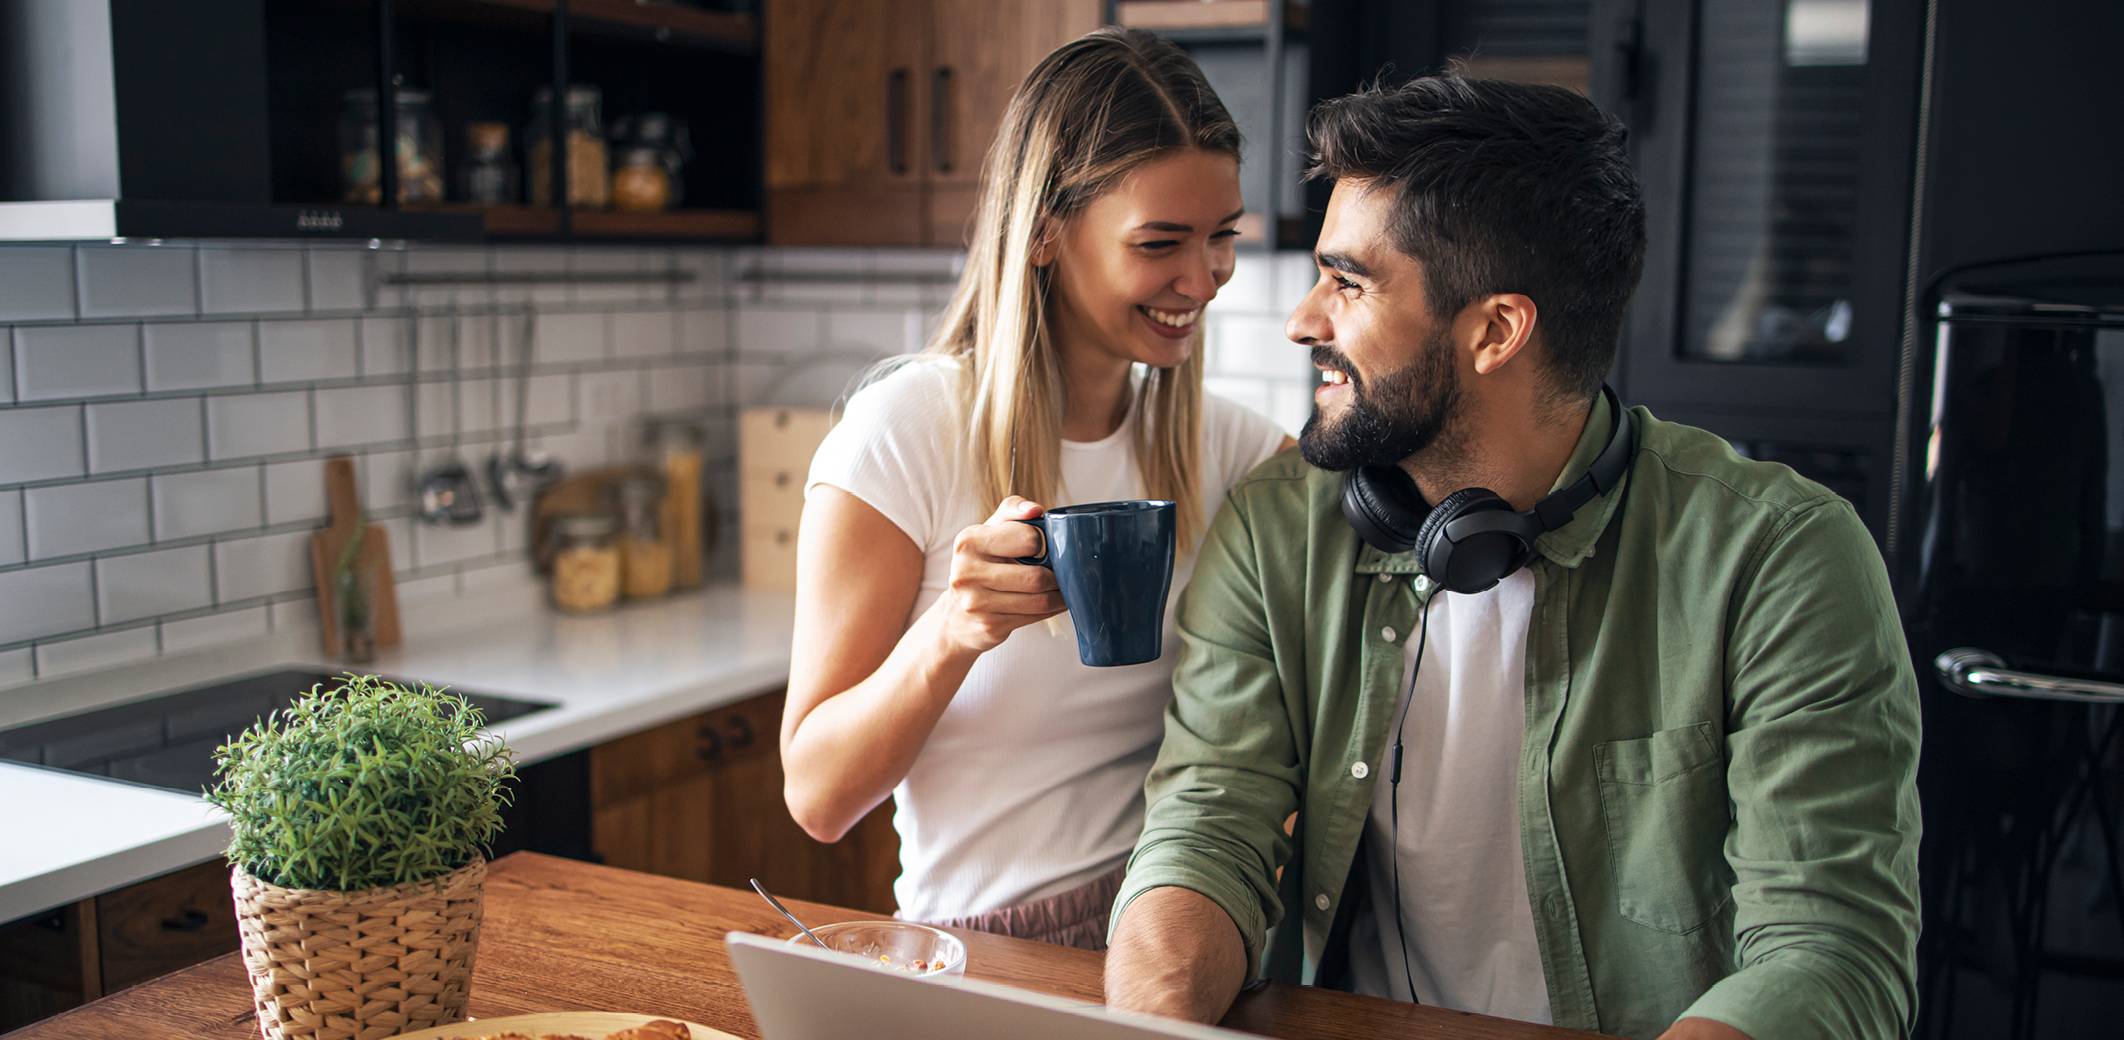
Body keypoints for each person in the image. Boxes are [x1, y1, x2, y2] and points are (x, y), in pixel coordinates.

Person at [1103, 75, 1921, 1040]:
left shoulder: (1782, 561)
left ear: (1496, 330)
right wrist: (1152, 1025)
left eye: (1349, 282)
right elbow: (1208, 829)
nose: (1304, 320)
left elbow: (1829, 951)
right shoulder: (1280, 529)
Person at [780, 27, 1289, 951]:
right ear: (1048, 231)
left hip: (1179, 925)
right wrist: (952, 633)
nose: (1202, 278)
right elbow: (817, 796)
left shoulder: (1229, 446)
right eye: (1161, 242)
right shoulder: (906, 434)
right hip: (982, 944)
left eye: (1222, 239)